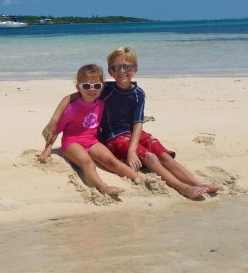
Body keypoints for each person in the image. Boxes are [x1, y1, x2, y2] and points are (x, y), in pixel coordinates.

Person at [43, 47, 221, 200]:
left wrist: (132, 149)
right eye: (117, 67)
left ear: (135, 69)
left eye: (127, 67)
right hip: (109, 138)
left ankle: (197, 183)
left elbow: (138, 122)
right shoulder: (103, 90)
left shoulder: (133, 93)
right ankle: (183, 188)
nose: (122, 71)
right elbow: (75, 96)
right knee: (150, 158)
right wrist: (50, 134)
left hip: (122, 136)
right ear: (111, 71)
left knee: (164, 156)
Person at [39, 63, 143, 197]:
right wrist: (48, 148)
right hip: (72, 143)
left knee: (113, 162)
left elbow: (99, 126)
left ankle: (139, 179)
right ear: (78, 88)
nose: (92, 90)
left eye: (97, 86)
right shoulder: (72, 108)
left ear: (102, 88)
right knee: (88, 163)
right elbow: (57, 128)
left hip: (92, 141)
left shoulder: (101, 104)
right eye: (87, 86)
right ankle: (103, 187)